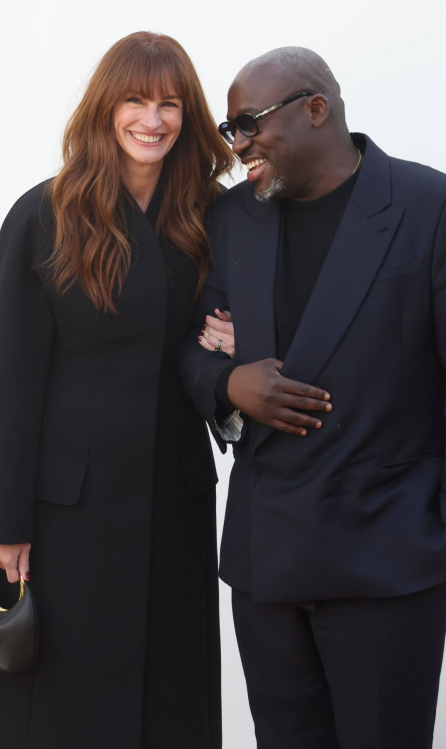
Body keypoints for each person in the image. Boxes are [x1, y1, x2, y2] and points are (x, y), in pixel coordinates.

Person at [0, 31, 236, 749]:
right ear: (105, 107)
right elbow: (13, 378)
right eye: (135, 99)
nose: (152, 119)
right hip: (69, 512)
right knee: (63, 698)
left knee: (168, 690)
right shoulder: (43, 216)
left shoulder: (209, 219)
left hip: (173, 497)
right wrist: (5, 524)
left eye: (170, 103)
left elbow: (224, 331)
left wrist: (229, 340)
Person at [179, 46, 446, 748]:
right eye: (229, 129)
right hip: (266, 564)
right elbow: (189, 350)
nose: (237, 148)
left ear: (315, 109)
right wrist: (229, 382)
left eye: (248, 125)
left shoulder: (428, 205)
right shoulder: (235, 218)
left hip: (387, 561)